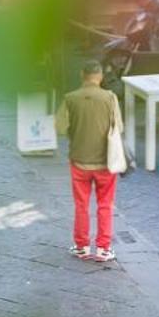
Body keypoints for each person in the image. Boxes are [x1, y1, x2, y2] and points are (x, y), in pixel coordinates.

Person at [56, 60, 124, 262]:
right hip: (105, 162)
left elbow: (60, 127)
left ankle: (82, 246)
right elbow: (118, 127)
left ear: (81, 75)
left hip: (79, 161)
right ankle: (103, 249)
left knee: (81, 205)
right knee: (105, 205)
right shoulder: (110, 98)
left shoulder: (70, 98)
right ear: (100, 76)